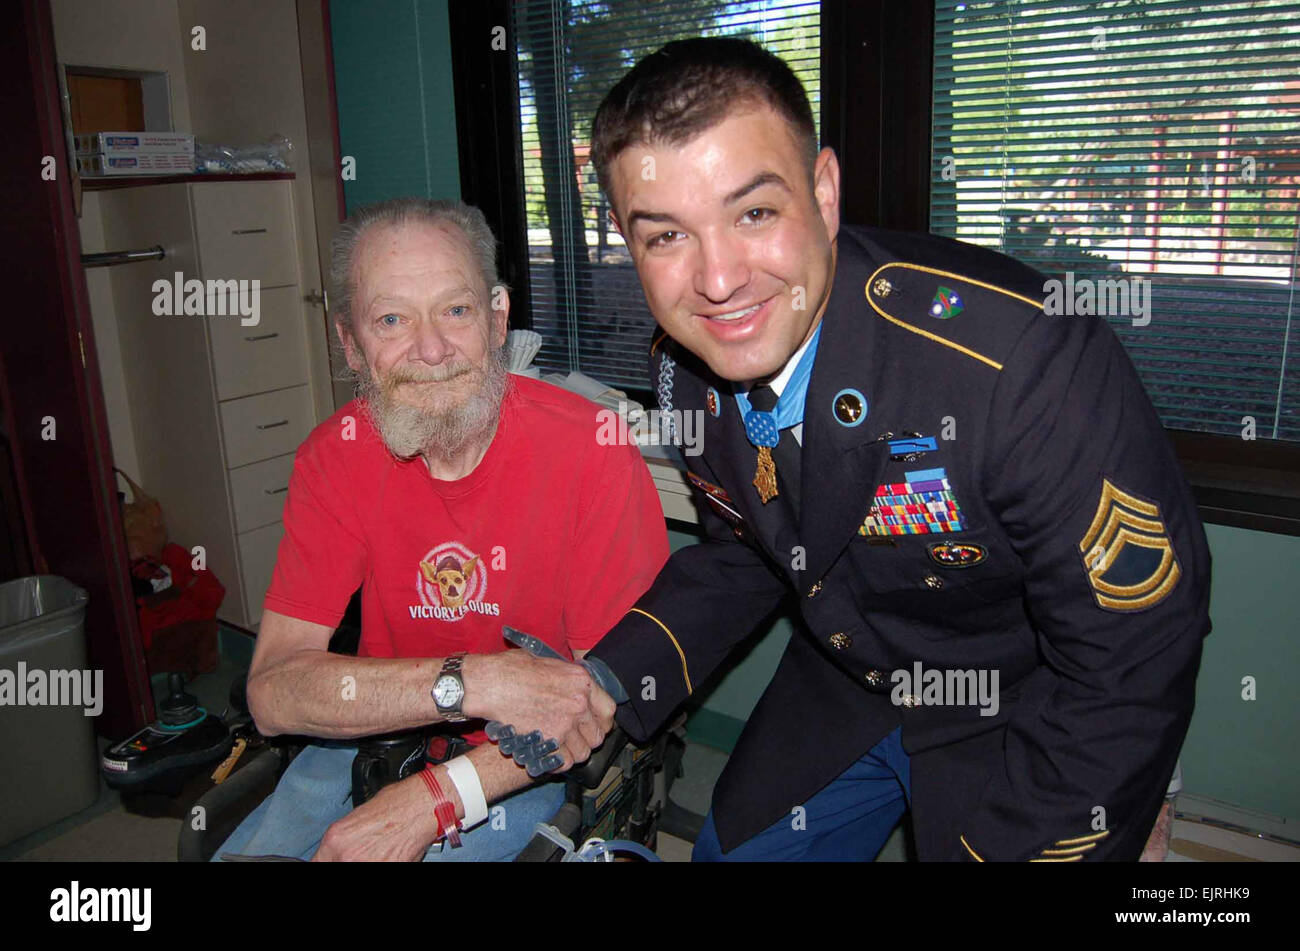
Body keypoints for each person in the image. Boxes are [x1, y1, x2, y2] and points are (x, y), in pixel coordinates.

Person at [574, 37, 1211, 861]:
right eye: (666, 236)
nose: (719, 281)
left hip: (1023, 698)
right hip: (847, 681)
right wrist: (610, 679)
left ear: (825, 191)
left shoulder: (1021, 358)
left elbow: (1131, 657)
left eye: (754, 213)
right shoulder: (684, 367)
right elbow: (744, 552)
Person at [215, 198, 668, 861]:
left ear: (497, 319)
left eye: (455, 311)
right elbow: (273, 693)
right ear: (350, 343)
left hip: (519, 760)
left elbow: (598, 699)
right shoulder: (333, 456)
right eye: (392, 319)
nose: (430, 350)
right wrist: (472, 682)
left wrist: (439, 796)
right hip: (369, 731)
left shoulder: (593, 451)